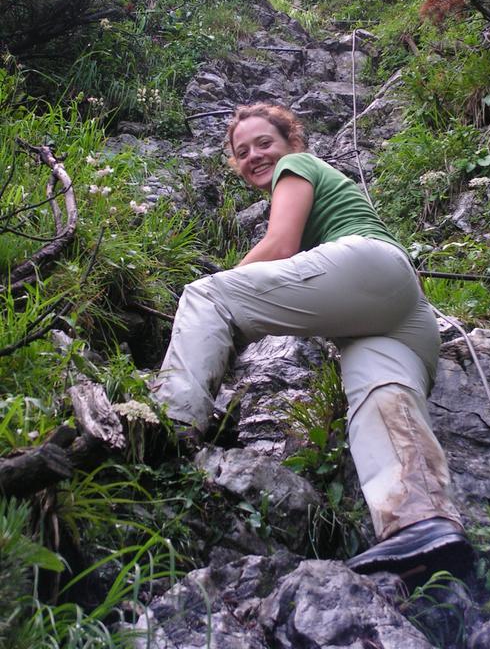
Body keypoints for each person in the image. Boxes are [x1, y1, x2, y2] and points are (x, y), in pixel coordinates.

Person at [153, 102, 473, 581]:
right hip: (403, 315)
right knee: (381, 396)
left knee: (206, 297)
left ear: (290, 143)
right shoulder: (306, 176)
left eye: (265, 143)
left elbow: (280, 245)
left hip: (368, 269)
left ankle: (164, 427)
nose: (255, 156)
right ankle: (423, 524)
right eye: (242, 152)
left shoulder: (296, 166)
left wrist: (225, 299)